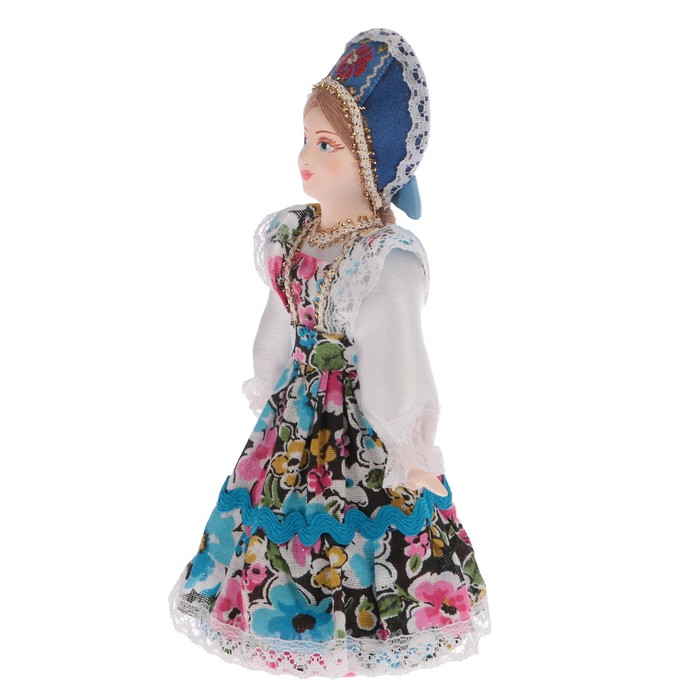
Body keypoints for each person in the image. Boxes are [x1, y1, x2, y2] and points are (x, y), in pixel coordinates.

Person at [169, 27, 491, 678]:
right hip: (292, 423)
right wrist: (269, 384)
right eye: (306, 139)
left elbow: (397, 365)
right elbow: (276, 331)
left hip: (355, 431)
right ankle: (287, 619)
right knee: (279, 519)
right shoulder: (295, 236)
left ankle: (358, 632)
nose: (304, 158)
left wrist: (410, 446)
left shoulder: (384, 261)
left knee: (356, 526)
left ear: (371, 161)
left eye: (325, 144)